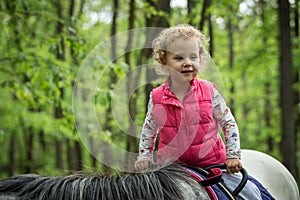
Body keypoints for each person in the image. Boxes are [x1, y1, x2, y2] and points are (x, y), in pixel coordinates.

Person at [134, 24, 262, 199]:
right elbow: (149, 130)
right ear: (164, 63)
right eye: (179, 58)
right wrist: (145, 156)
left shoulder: (209, 91)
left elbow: (228, 123)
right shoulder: (156, 97)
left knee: (251, 192)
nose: (187, 62)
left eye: (193, 57)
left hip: (213, 165)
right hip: (172, 169)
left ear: (200, 60)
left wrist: (233, 155)